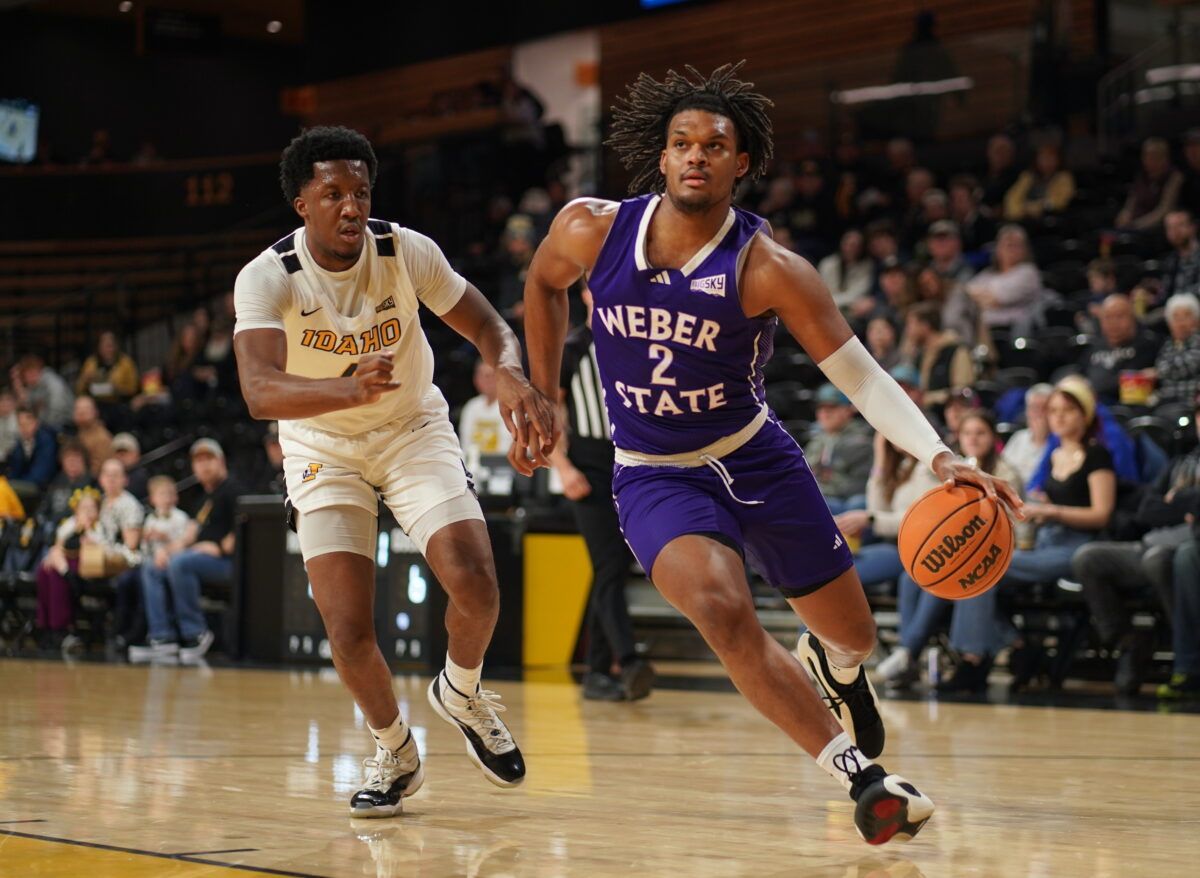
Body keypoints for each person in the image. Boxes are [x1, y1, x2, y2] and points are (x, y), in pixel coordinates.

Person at [520, 63, 1019, 844]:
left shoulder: (769, 269)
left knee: (854, 635)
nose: (695, 155)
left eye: (714, 145)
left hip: (756, 459)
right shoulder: (592, 227)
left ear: (741, 163)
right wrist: (544, 391)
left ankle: (836, 667)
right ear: (662, 154)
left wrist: (937, 454)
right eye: (682, 142)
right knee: (723, 610)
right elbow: (542, 285)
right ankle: (863, 780)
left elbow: (858, 373)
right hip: (654, 475)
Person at [233, 126, 554, 817]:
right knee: (347, 629)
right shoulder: (267, 277)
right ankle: (395, 750)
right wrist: (348, 389)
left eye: (361, 192)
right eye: (333, 194)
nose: (351, 206)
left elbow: (491, 327)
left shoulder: (405, 251)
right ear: (301, 204)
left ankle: (461, 693)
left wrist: (510, 373)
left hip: (411, 430)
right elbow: (259, 392)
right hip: (322, 445)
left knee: (476, 583)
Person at [941, 377, 1115, 692]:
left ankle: (973, 660)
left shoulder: (1097, 455)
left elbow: (1101, 514)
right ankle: (1015, 645)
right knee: (970, 572)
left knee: (978, 569)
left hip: (1076, 548)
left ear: (1085, 415)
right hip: (1043, 542)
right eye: (1054, 411)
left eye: (1068, 411)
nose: (1059, 417)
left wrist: (1053, 511)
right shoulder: (1052, 456)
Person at [549, 287, 653, 702]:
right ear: (588, 295)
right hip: (587, 470)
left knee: (613, 568)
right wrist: (563, 467)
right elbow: (552, 414)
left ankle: (596, 672)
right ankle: (627, 661)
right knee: (609, 565)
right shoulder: (574, 347)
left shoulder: (633, 344)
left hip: (627, 465)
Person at [876, 410, 1022, 688]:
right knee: (914, 576)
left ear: (993, 438)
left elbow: (1013, 527)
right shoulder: (953, 472)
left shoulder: (1005, 472)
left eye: (980, 433)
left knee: (946, 576)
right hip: (967, 550)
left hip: (1004, 550)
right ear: (959, 438)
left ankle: (911, 652)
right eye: (968, 433)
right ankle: (910, 654)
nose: (974, 439)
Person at [1071, 401, 1200, 694]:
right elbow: (1147, 510)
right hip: (1151, 543)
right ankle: (1128, 641)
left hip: (1183, 549)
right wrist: (1187, 505)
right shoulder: (1183, 461)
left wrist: (1177, 502)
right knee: (1089, 558)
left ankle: (1187, 658)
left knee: (1164, 559)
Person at [135, 439, 237, 664]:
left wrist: (218, 546)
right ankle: (163, 637)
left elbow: (243, 530)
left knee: (180, 563)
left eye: (208, 459)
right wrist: (166, 551)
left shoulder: (233, 490)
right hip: (198, 558)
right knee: (153, 567)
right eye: (198, 461)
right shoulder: (201, 500)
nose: (204, 466)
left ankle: (195, 633)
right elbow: (188, 537)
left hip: (231, 563)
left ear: (221, 461)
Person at [123, 476, 191, 656]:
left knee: (151, 574)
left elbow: (187, 542)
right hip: (152, 563)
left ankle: (162, 634)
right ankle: (148, 633)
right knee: (134, 578)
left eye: (169, 494)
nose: (166, 498)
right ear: (152, 499)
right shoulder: (150, 520)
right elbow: (145, 550)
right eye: (161, 494)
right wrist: (145, 539)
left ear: (176, 497)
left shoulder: (181, 517)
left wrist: (165, 538)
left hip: (175, 561)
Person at [1080, 293, 1161, 406]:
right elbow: (1081, 374)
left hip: (1129, 408)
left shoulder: (1147, 345)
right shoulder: (1095, 347)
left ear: (1132, 317)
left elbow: (1129, 381)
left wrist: (1094, 387)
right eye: (1108, 317)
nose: (1113, 323)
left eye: (1119, 316)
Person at [804, 385, 873, 515]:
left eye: (831, 408)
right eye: (821, 408)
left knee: (856, 503)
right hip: (825, 497)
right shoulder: (816, 441)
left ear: (847, 410)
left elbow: (859, 486)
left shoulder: (861, 440)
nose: (825, 414)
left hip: (846, 503)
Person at [964, 224, 1042, 332]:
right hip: (983, 331)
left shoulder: (1028, 272)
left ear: (1025, 250)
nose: (1012, 250)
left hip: (1013, 332)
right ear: (998, 249)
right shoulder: (988, 274)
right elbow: (965, 293)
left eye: (1017, 245)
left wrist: (981, 297)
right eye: (1009, 245)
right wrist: (988, 297)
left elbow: (999, 298)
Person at [904, 302, 973, 407]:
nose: (908, 331)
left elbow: (962, 391)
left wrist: (928, 399)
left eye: (911, 324)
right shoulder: (920, 355)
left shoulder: (957, 351)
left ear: (925, 326)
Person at [1116, 137, 1183, 232]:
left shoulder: (1174, 177)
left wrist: (1137, 225)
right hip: (1133, 226)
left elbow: (1164, 210)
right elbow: (1131, 202)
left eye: (1155, 156)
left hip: (1156, 228)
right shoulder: (1141, 176)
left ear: (1165, 158)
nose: (1150, 160)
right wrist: (1124, 216)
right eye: (1147, 155)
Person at [1147, 293, 1200, 407]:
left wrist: (1158, 372)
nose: (1181, 322)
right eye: (1175, 317)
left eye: (1186, 316)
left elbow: (1187, 365)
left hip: (1190, 402)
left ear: (1197, 320)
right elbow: (1161, 362)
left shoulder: (1197, 341)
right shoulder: (1168, 344)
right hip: (1166, 401)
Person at [457, 360, 514, 462]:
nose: (487, 381)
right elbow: (465, 444)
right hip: (473, 466)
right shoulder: (471, 407)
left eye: (491, 376)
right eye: (483, 376)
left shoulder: (511, 407)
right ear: (476, 379)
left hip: (503, 466)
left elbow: (511, 445)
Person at [1002, 142, 1075, 221]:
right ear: (1037, 160)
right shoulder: (1027, 176)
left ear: (1058, 160)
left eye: (1051, 158)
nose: (1047, 162)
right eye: (1044, 158)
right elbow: (1012, 199)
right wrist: (1018, 212)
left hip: (1050, 219)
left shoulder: (1064, 178)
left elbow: (1058, 202)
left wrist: (1029, 208)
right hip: (1024, 219)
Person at [1001, 383, 1054, 485]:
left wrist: (1041, 438)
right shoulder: (1019, 437)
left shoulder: (1058, 442)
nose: (1038, 413)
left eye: (1044, 408)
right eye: (1034, 407)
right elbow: (1002, 470)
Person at [35, 441, 93, 529]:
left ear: (84, 461)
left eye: (76, 458)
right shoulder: (56, 482)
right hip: (51, 527)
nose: (72, 462)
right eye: (68, 458)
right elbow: (44, 507)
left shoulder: (91, 483)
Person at [7, 407, 58, 506]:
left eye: (27, 424)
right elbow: (14, 470)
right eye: (21, 425)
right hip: (23, 483)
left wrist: (13, 484)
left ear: (36, 423)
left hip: (42, 487)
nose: (24, 428)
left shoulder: (46, 441)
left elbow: (40, 474)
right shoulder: (19, 444)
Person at [75, 330, 140, 408]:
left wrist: (116, 389)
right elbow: (79, 389)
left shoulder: (126, 363)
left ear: (116, 346)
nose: (108, 349)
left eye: (110, 346)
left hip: (120, 403)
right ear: (99, 347)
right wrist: (85, 380)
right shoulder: (91, 363)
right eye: (104, 346)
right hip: (96, 404)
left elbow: (133, 387)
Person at [9, 354, 73, 430]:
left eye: (33, 371)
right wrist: (19, 388)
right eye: (28, 373)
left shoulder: (51, 381)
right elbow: (28, 409)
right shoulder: (32, 387)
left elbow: (57, 406)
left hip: (64, 422)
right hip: (46, 424)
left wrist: (41, 425)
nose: (31, 376)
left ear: (39, 370)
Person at [818, 228, 873, 312]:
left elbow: (856, 295)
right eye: (848, 244)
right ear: (841, 244)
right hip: (825, 309)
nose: (850, 249)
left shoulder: (867, 267)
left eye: (855, 246)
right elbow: (821, 292)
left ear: (862, 248)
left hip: (851, 311)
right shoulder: (827, 264)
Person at [1161, 209, 1200, 300]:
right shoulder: (1170, 260)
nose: (1175, 232)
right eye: (1170, 227)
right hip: (1173, 310)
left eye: (1180, 225)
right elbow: (1165, 295)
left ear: (1193, 227)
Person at [71, 396, 113, 477]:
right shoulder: (78, 433)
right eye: (77, 409)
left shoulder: (102, 438)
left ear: (95, 412)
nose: (81, 412)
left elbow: (99, 470)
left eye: (86, 409)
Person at [111, 432, 148, 501]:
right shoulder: (110, 476)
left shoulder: (140, 476)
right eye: (117, 453)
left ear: (136, 454)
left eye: (125, 453)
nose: (120, 457)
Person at [0, 387, 19, 463]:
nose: (5, 404)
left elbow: (11, 447)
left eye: (8, 400)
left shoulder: (18, 420)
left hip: (10, 460)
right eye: (2, 400)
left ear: (14, 403)